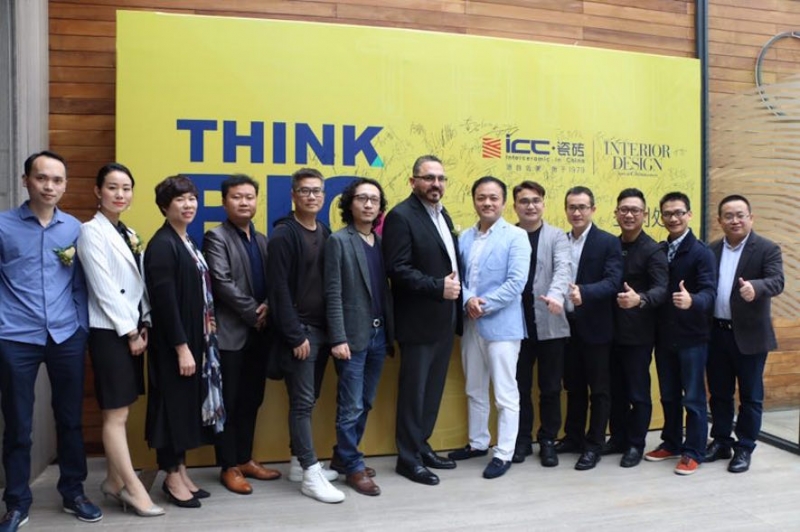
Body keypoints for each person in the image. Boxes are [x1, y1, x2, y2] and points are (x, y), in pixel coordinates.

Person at [0, 151, 102, 531]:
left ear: (65, 185)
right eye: (41, 178)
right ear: (26, 180)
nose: (49, 186)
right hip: (15, 337)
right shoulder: (4, 226)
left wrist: (80, 328)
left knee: (70, 419)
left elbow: (79, 284)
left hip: (65, 335)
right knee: (18, 424)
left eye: (57, 180)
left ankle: (74, 492)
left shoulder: (73, 229)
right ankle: (16, 502)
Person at [77, 163, 165, 517]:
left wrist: (144, 322)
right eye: (112, 187)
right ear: (98, 191)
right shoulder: (90, 232)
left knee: (122, 411)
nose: (120, 194)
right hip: (110, 332)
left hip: (133, 328)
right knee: (114, 414)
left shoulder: (127, 232)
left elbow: (138, 285)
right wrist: (129, 331)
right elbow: (103, 288)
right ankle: (133, 488)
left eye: (126, 188)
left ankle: (113, 481)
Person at [383, 154, 462, 486]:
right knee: (414, 394)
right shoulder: (401, 216)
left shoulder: (443, 214)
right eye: (429, 178)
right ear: (413, 181)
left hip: (444, 319)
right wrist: (436, 287)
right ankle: (407, 458)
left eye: (441, 178)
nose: (436, 184)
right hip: (418, 321)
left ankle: (421, 445)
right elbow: (397, 269)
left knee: (431, 392)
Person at [267, 168, 344, 504]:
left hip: (322, 331)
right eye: (304, 191)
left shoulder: (324, 231)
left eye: (317, 191)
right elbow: (278, 290)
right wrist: (295, 335)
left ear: (324, 196)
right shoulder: (284, 235)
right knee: (301, 404)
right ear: (293, 196)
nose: (311, 196)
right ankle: (311, 474)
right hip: (301, 334)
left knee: (308, 401)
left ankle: (298, 464)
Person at [144, 175, 221, 508]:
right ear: (165, 206)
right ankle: (171, 477)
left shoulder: (185, 239)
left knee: (185, 407)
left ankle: (182, 471)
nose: (188, 205)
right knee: (171, 409)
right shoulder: (162, 244)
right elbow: (165, 303)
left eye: (192, 198)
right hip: (174, 344)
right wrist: (182, 348)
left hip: (194, 338)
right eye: (180, 199)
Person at [203, 175, 281, 495]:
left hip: (260, 334)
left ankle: (245, 458)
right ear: (225, 202)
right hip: (231, 334)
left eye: (250, 197)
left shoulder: (262, 240)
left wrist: (268, 307)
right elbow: (221, 283)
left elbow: (275, 280)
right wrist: (253, 312)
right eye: (237, 197)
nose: (244, 202)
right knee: (230, 402)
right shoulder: (216, 237)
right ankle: (228, 466)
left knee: (252, 399)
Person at [448, 176, 530, 479]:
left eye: (494, 197)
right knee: (474, 388)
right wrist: (468, 300)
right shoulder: (464, 238)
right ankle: (478, 442)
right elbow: (458, 278)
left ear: (504, 202)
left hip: (502, 326)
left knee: (505, 394)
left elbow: (516, 283)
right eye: (481, 197)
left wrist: (481, 304)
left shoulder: (516, 236)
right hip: (471, 324)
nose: (487, 203)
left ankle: (504, 452)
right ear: (474, 200)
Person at [325, 178, 394, 496]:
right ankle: (353, 466)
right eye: (362, 198)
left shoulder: (381, 243)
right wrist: (337, 338)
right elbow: (333, 293)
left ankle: (343, 457)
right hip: (351, 337)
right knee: (350, 405)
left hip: (379, 335)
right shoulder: (339, 241)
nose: (368, 204)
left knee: (365, 402)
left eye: (374, 200)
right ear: (349, 204)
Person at [705, 195, 784, 473]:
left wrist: (756, 288)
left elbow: (777, 281)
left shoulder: (766, 248)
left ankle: (745, 447)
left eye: (740, 215)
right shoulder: (712, 250)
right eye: (728, 216)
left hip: (750, 336)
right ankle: (721, 441)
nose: (735, 220)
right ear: (719, 220)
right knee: (719, 393)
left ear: (751, 217)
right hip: (717, 333)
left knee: (750, 396)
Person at [644, 191, 716, 475]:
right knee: (669, 395)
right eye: (667, 214)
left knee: (693, 398)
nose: (673, 218)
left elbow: (710, 292)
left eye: (678, 213)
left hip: (692, 338)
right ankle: (672, 442)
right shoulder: (660, 250)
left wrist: (692, 300)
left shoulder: (701, 252)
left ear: (689, 215)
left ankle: (694, 450)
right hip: (664, 336)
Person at [555, 186, 622, 471]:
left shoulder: (607, 242)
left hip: (596, 327)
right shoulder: (560, 240)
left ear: (593, 209)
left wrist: (585, 292)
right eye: (572, 207)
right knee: (573, 386)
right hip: (565, 327)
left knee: (599, 390)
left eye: (582, 207)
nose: (577, 212)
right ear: (566, 210)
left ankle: (594, 444)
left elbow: (613, 281)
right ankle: (573, 437)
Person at [604, 188, 668, 468]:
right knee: (614, 391)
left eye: (635, 210)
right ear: (616, 213)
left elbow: (662, 289)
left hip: (638, 335)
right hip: (609, 332)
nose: (629, 215)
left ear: (644, 214)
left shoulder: (653, 250)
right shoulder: (611, 244)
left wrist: (639, 299)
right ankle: (617, 438)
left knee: (638, 393)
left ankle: (635, 444)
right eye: (624, 210)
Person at [511, 181, 571, 467]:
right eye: (524, 201)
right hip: (514, 326)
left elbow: (563, 270)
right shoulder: (507, 234)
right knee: (519, 388)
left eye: (536, 200)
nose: (530, 206)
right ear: (515, 206)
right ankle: (521, 440)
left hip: (550, 322)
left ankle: (548, 439)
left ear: (543, 204)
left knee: (550, 387)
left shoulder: (557, 236)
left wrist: (557, 295)